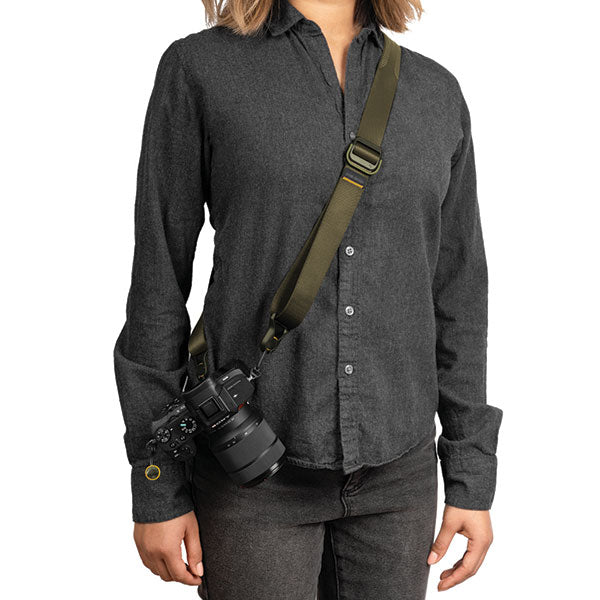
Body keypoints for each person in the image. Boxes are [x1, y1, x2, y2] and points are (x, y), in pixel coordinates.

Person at [113, 0, 503, 597]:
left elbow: (458, 294)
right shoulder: (201, 69)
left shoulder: (435, 92)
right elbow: (158, 281)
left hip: (399, 481)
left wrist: (471, 473)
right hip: (250, 477)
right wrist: (156, 481)